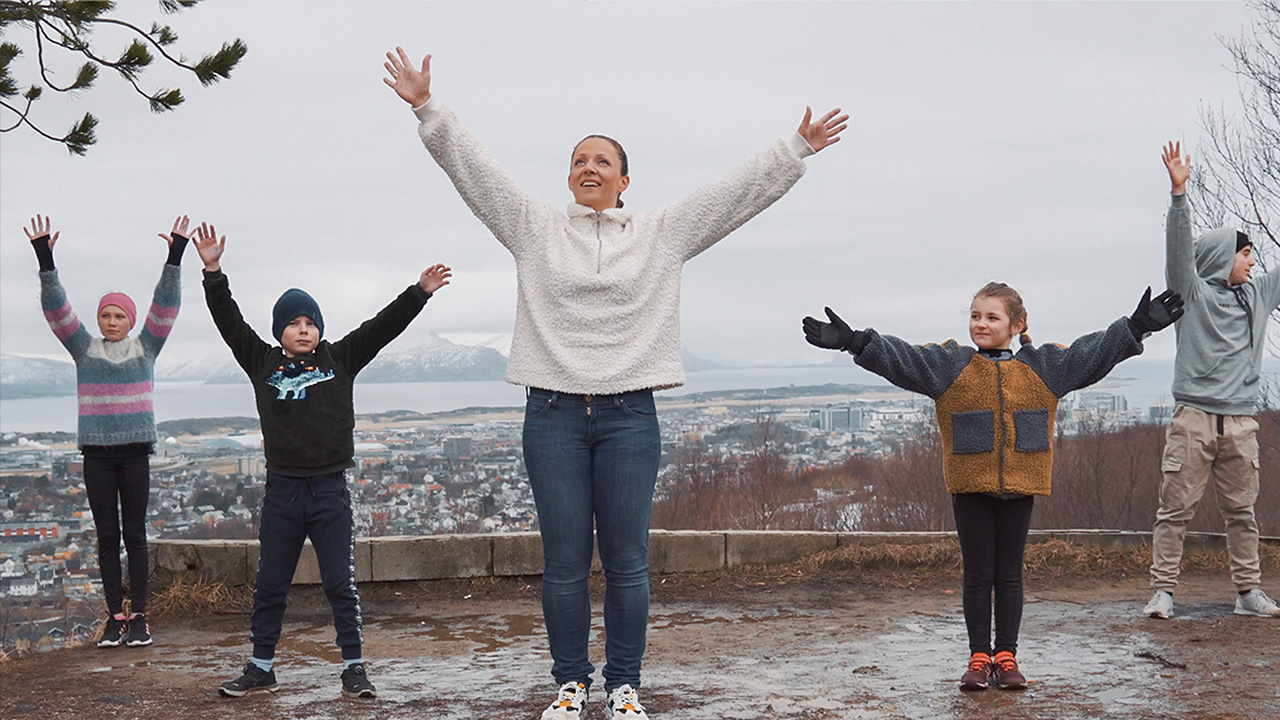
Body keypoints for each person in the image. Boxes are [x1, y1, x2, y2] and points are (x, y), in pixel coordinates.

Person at [383, 46, 846, 720]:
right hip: (553, 415)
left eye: (602, 160)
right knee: (566, 561)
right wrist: (428, 107)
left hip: (632, 415)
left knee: (627, 561)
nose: (588, 168)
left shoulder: (660, 233)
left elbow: (731, 196)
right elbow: (475, 172)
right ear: (569, 179)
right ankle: (571, 681)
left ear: (625, 180)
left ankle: (624, 683)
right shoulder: (535, 228)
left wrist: (793, 149)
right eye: (579, 160)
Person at [803, 281, 1183, 691]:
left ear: (1018, 324)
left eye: (991, 317)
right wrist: (854, 342)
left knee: (1010, 575)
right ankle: (979, 657)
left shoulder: (1043, 367)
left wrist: (1137, 326)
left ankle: (1007, 656)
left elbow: (1091, 354)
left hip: (1021, 484)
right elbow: (903, 359)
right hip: (970, 487)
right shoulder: (951, 365)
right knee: (978, 574)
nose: (980, 324)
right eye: (975, 316)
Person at [192, 222, 452, 699]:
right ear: (280, 332)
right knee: (270, 584)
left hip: (330, 490)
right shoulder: (262, 363)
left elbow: (382, 326)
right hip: (282, 492)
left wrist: (419, 292)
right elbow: (229, 321)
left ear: (320, 330)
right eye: (294, 323)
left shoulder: (341, 359)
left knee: (339, 584)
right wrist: (213, 271)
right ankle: (261, 666)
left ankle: (354, 667)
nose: (303, 329)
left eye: (310, 322)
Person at [24, 213, 189, 649]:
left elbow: (165, 307)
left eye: (119, 315)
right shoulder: (84, 350)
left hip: (135, 454)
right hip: (96, 455)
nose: (111, 321)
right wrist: (46, 258)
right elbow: (57, 312)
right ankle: (115, 617)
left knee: (135, 536)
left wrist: (175, 254)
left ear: (130, 321)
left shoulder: (146, 348)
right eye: (105, 315)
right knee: (106, 538)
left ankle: (140, 618)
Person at [1144, 141, 1280, 620]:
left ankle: (1248, 594)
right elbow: (1180, 256)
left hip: (1241, 423)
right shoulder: (1192, 295)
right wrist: (1179, 195)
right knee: (1175, 510)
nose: (1251, 261)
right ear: (1223, 255)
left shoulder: (1258, 297)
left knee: (1242, 514)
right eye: (1245, 252)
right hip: (1194, 419)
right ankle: (1163, 592)